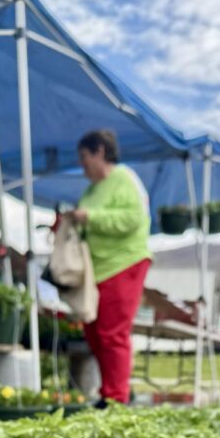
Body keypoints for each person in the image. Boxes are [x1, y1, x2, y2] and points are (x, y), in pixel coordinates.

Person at [70, 129, 152, 406]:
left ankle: (116, 399)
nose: (81, 164)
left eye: (84, 157)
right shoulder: (91, 190)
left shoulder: (124, 179)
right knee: (93, 332)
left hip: (124, 263)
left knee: (113, 332)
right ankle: (108, 392)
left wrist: (90, 217)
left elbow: (132, 218)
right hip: (97, 270)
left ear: (100, 152)